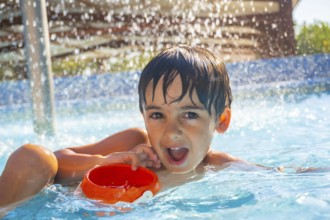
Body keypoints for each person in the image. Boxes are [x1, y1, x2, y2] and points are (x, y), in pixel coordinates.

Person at [0, 45, 245, 209]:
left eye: (189, 114)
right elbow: (57, 159)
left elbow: (276, 180)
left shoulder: (220, 166)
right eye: (157, 114)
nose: (172, 130)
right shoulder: (134, 145)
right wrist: (105, 161)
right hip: (47, 206)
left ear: (221, 120)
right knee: (34, 157)